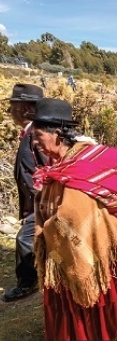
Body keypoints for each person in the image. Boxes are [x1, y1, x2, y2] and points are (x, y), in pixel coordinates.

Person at [30, 98, 117, 341]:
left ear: (57, 133)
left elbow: (75, 215)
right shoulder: (61, 165)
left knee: (114, 290)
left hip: (103, 242)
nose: (35, 142)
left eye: (38, 135)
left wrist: (50, 225)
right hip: (94, 242)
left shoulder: (85, 160)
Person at [2, 84, 47, 302]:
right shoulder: (29, 133)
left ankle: (27, 283)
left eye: (13, 106)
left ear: (26, 108)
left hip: (41, 201)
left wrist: (41, 202)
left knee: (24, 240)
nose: (10, 111)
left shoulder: (37, 135)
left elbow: (47, 167)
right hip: (35, 202)